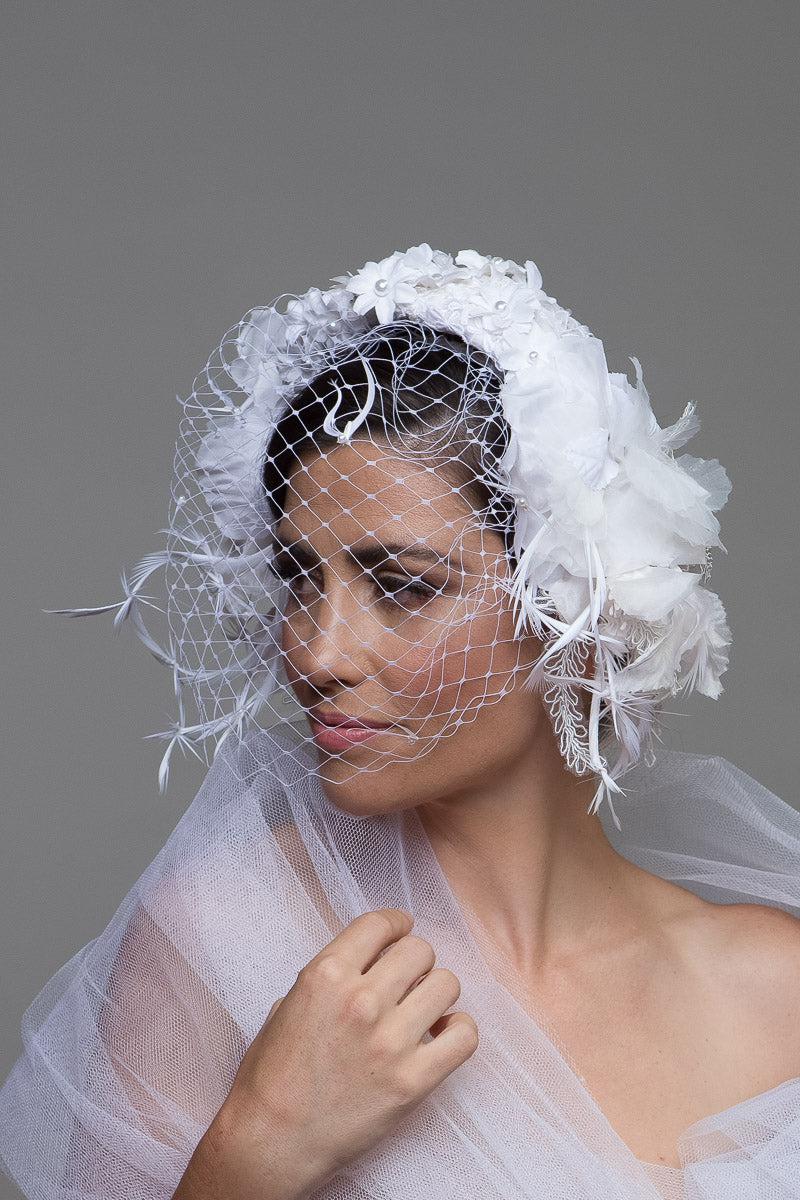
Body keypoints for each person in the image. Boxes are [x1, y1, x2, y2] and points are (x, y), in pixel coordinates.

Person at [1, 245, 799, 1200]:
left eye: (402, 587)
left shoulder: (772, 991)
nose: (319, 651)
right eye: (301, 580)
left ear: (569, 600)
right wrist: (260, 1144)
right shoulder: (226, 941)